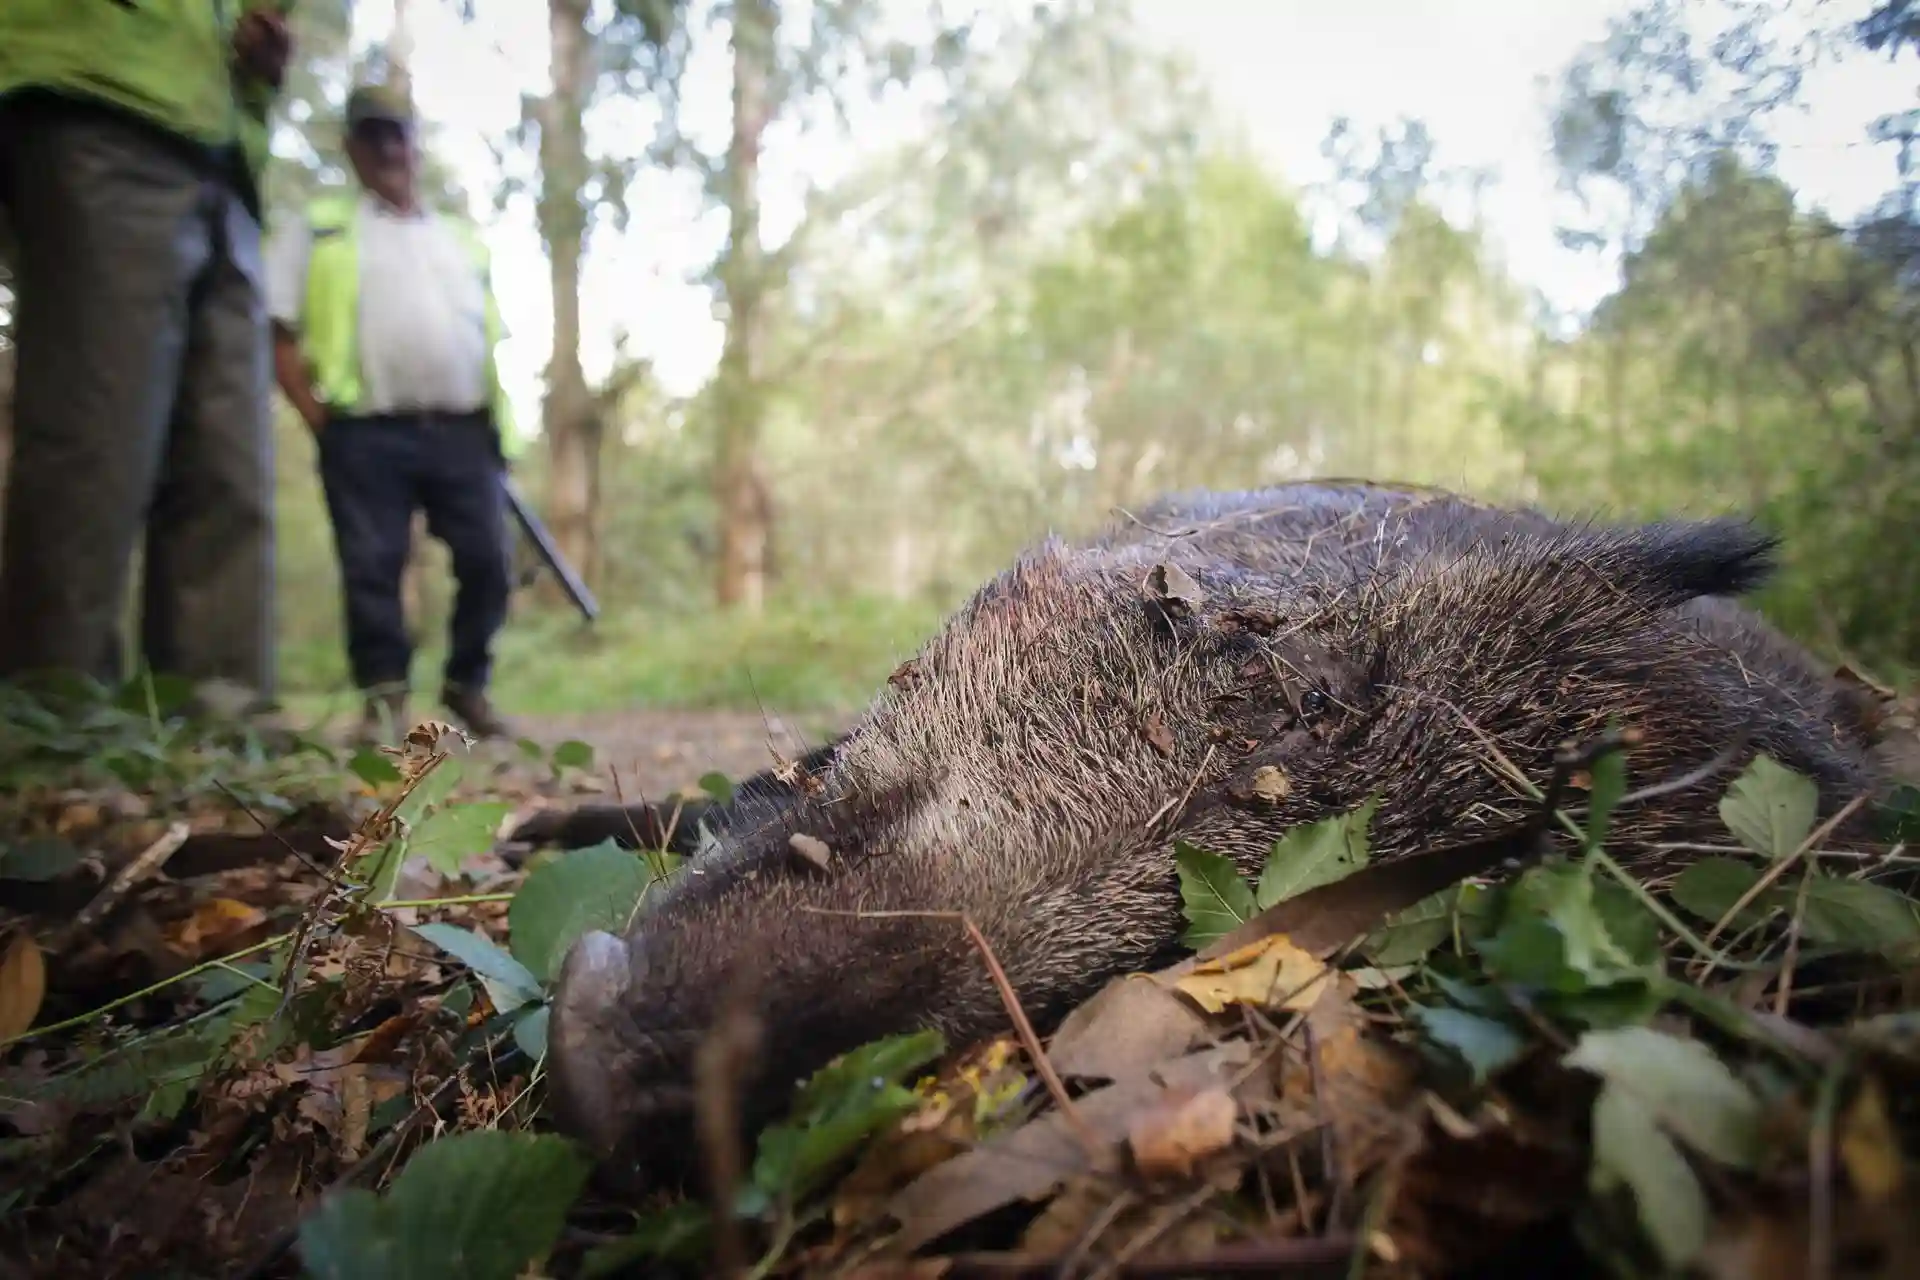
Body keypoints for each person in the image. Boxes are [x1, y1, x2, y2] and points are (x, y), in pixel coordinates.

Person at [0, 2, 293, 715]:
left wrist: (258, 70)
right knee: (95, 438)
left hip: (227, 153)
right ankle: (54, 723)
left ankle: (219, 731)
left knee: (230, 470)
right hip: (95, 93)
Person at [266, 84, 522, 742]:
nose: (387, 148)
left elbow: (491, 338)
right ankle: (383, 701)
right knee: (371, 566)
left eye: (397, 134)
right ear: (351, 147)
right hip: (364, 430)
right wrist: (316, 416)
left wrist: (501, 431)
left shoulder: (459, 238)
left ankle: (469, 686)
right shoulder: (321, 225)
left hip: (463, 428)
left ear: (415, 144)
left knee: (489, 559)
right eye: (371, 135)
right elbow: (279, 331)